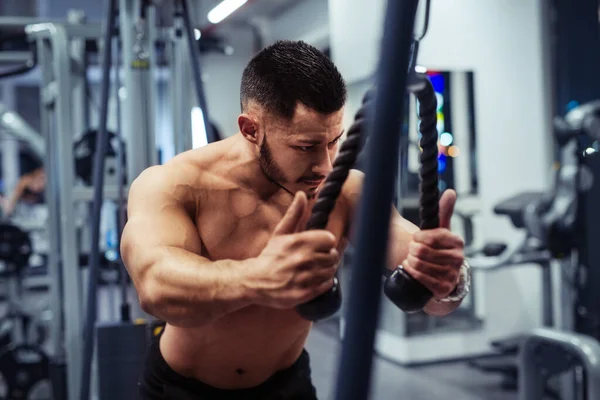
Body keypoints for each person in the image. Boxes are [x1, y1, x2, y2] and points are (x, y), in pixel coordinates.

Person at [122, 40, 467, 400]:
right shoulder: (175, 184)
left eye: (334, 141)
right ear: (250, 129)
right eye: (305, 147)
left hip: (289, 386)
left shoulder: (346, 191)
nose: (326, 165)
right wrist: (259, 278)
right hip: (182, 390)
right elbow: (156, 287)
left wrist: (448, 278)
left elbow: (435, 297)